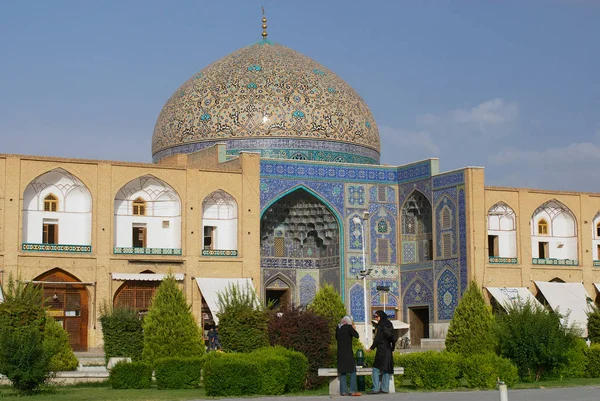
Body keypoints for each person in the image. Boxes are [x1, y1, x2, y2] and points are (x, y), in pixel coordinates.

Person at [368, 310, 395, 394]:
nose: (375, 318)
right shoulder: (389, 324)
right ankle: (385, 389)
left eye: (376, 316)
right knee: (386, 368)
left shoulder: (380, 326)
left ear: (381, 316)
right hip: (388, 349)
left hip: (381, 349)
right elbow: (394, 338)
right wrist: (392, 349)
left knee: (376, 369)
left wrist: (371, 348)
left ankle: (376, 388)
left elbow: (377, 339)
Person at [336, 315, 361, 396]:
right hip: (348, 354)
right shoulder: (348, 327)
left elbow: (336, 337)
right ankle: (352, 390)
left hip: (340, 354)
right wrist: (353, 328)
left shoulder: (338, 328)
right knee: (352, 371)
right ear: (347, 322)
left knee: (343, 372)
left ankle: (343, 391)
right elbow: (357, 335)